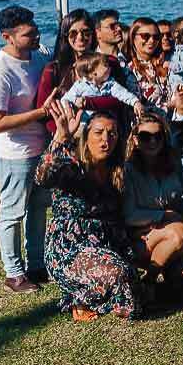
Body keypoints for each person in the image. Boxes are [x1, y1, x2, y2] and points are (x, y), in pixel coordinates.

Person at [36, 104, 140, 320]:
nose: (105, 140)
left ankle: (93, 295)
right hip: (68, 248)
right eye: (98, 132)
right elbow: (43, 177)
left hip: (103, 244)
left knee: (131, 278)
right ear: (87, 135)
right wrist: (61, 136)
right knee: (119, 273)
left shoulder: (116, 171)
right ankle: (78, 298)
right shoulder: (73, 165)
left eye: (112, 134)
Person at [0, 6, 54, 293]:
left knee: (38, 209)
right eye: (29, 33)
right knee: (12, 213)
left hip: (41, 149)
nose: (36, 34)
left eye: (35, 29)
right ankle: (14, 274)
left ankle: (37, 264)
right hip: (14, 154)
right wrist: (40, 112)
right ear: (8, 37)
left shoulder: (40, 56)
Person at [124, 110, 183, 284]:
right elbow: (130, 215)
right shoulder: (128, 170)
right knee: (178, 233)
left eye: (158, 136)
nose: (153, 141)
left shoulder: (173, 163)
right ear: (136, 140)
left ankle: (166, 272)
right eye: (146, 136)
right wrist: (164, 216)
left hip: (174, 231)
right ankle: (150, 280)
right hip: (141, 237)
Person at [61, 52, 145, 121]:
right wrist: (72, 105)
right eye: (106, 65)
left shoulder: (110, 84)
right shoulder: (80, 86)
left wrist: (135, 102)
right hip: (85, 123)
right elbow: (66, 98)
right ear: (94, 73)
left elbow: (123, 93)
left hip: (106, 121)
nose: (110, 68)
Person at [125, 17, 172, 115]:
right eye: (145, 36)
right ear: (133, 37)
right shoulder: (127, 69)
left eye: (156, 37)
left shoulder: (165, 65)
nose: (151, 41)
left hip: (170, 122)